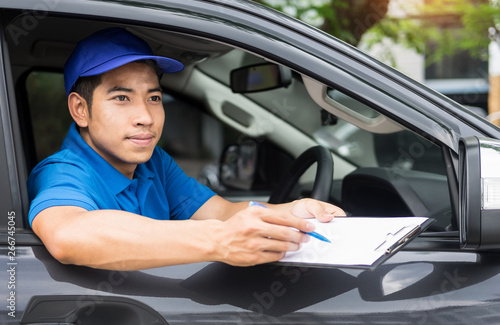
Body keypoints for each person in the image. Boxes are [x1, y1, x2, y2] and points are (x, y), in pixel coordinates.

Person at [27, 27, 345, 271]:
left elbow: (221, 212)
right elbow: (67, 234)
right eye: (121, 98)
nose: (146, 117)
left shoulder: (153, 164)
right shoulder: (63, 172)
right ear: (80, 109)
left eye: (153, 97)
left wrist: (294, 212)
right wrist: (217, 241)